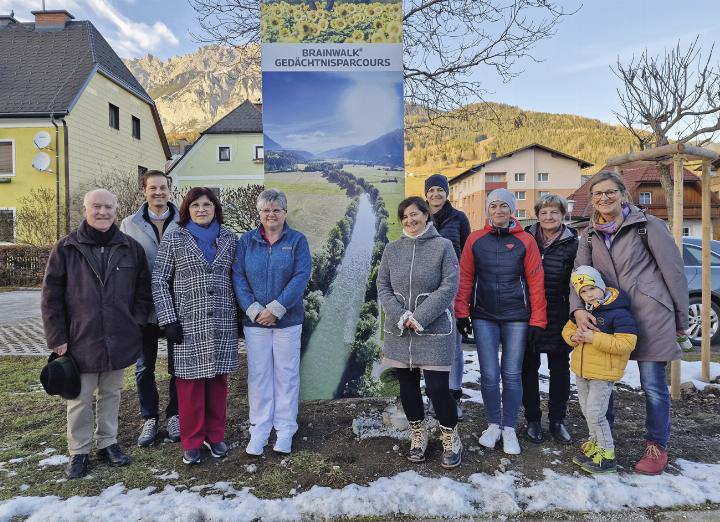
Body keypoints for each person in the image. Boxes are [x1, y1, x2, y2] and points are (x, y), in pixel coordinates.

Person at [571, 170, 688, 475]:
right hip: (608, 318)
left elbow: (673, 272)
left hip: (652, 315)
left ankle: (657, 445)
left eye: (610, 192)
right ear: (592, 200)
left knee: (652, 386)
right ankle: (601, 438)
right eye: (597, 194)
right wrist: (578, 312)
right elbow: (578, 276)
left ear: (623, 194)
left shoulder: (647, 226)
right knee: (601, 380)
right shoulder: (590, 234)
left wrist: (680, 317)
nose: (604, 198)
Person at [41, 189, 151, 479]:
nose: (102, 212)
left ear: (116, 211)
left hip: (119, 335)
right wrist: (58, 338)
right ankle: (79, 451)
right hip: (81, 338)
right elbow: (51, 297)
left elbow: (143, 291)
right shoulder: (66, 248)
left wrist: (135, 321)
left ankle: (108, 443)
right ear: (85, 209)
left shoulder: (131, 248)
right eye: (97, 207)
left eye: (108, 207)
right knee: (79, 397)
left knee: (112, 394)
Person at [454, 188, 546, 455]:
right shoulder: (475, 239)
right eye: (493, 206)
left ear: (512, 210)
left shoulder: (526, 241)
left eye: (503, 206)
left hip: (517, 316)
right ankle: (493, 423)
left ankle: (509, 428)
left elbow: (536, 282)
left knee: (512, 374)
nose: (498, 211)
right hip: (484, 315)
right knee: (490, 375)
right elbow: (465, 278)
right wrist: (462, 313)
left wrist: (538, 321)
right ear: (488, 210)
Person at [152, 187, 239, 465]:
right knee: (189, 386)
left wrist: (240, 318)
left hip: (222, 321)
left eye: (207, 204)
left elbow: (236, 279)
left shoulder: (229, 238)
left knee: (217, 383)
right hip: (187, 324)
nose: (202, 209)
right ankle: (191, 440)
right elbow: (159, 281)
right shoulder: (175, 237)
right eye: (196, 205)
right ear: (187, 209)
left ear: (215, 208)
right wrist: (168, 320)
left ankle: (215, 436)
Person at [377, 196, 462, 468]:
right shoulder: (392, 249)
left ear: (426, 215)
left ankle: (450, 436)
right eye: (404, 217)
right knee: (408, 387)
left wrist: (421, 316)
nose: (409, 221)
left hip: (434, 329)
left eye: (414, 214)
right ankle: (418, 433)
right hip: (400, 331)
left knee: (438, 389)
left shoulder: (443, 247)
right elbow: (383, 287)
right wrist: (401, 315)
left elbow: (449, 286)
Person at [233, 189, 312, 456]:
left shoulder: (297, 241)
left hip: (288, 321)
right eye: (266, 210)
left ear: (284, 213)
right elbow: (238, 277)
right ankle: (260, 428)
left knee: (286, 375)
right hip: (255, 322)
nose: (271, 214)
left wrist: (277, 309)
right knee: (259, 375)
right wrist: (254, 310)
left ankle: (286, 428)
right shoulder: (246, 242)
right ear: (259, 214)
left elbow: (301, 276)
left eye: (276, 210)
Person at [120, 170, 180, 447]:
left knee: (178, 365)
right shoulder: (129, 224)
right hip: (143, 307)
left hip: (177, 306)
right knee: (144, 367)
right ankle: (149, 418)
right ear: (143, 191)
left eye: (163, 187)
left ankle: (175, 415)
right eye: (153, 188)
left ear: (170, 190)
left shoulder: (185, 220)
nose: (159, 192)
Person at [562, 266, 638, 474]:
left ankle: (607, 455)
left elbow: (626, 343)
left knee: (596, 414)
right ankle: (595, 445)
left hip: (603, 374)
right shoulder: (584, 312)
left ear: (601, 286)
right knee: (587, 412)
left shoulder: (619, 313)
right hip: (582, 370)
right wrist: (573, 337)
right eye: (583, 292)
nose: (589, 294)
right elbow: (567, 329)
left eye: (592, 289)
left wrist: (593, 338)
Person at [522, 194, 578, 444]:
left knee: (559, 369)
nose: (548, 217)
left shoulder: (573, 242)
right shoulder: (525, 238)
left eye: (554, 212)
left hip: (559, 314)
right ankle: (533, 419)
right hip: (528, 314)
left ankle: (557, 420)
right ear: (537, 214)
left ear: (562, 214)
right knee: (528, 368)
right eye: (544, 212)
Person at [425, 173, 471, 420]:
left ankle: (453, 396)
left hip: (451, 292)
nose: (436, 194)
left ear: (446, 193)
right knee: (430, 346)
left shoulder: (459, 219)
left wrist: (464, 298)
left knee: (453, 346)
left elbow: (466, 259)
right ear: (426, 194)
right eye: (431, 190)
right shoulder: (420, 218)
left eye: (440, 190)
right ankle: (434, 397)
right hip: (426, 293)